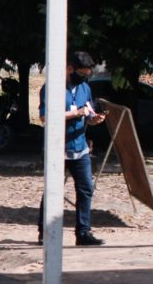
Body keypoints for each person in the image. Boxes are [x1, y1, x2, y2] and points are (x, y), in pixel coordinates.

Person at [38, 51, 107, 246]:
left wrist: (94, 119)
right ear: (70, 69)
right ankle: (45, 231)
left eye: (87, 74)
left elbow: (88, 113)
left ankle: (83, 232)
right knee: (53, 190)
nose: (84, 78)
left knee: (86, 189)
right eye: (82, 74)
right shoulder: (52, 88)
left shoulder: (85, 88)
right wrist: (75, 113)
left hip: (80, 147)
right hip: (57, 148)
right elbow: (45, 117)